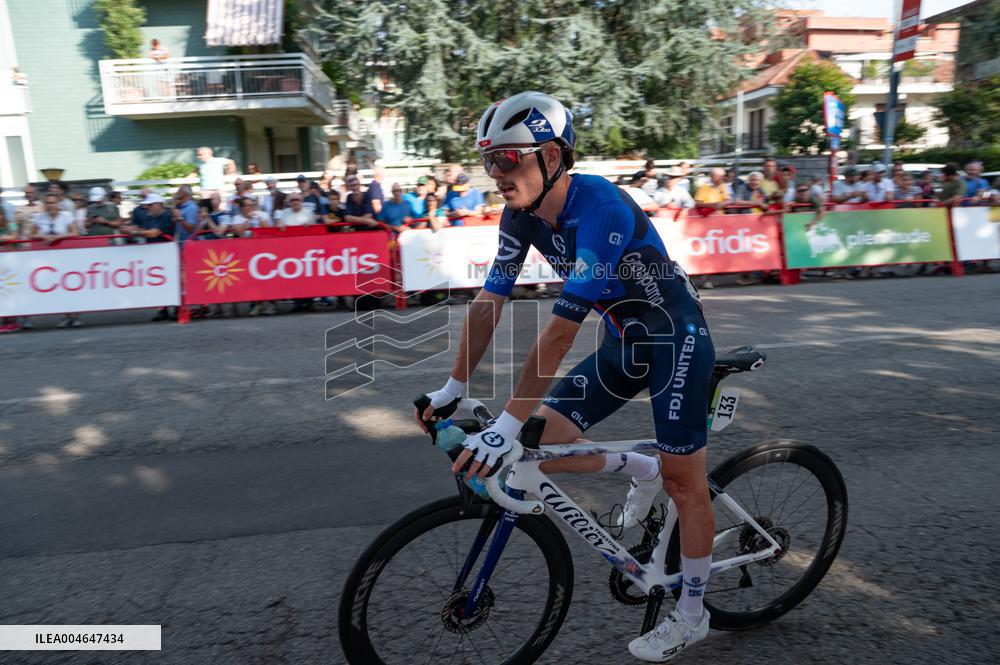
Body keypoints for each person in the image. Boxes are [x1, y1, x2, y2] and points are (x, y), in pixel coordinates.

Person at [417, 92, 715, 663]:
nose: (496, 174)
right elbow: (489, 303)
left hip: (675, 340)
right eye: (488, 161)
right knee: (538, 438)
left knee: (686, 483)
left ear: (551, 155)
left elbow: (558, 333)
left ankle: (692, 615)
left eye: (508, 159)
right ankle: (643, 467)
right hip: (624, 345)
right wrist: (452, 388)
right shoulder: (520, 215)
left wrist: (504, 420)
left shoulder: (598, 205)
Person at [31, 194, 81, 328]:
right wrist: (43, 236)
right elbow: (32, 234)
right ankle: (65, 316)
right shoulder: (39, 217)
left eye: (52, 203)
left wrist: (58, 236)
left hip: (65, 254)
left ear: (57, 204)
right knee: (57, 286)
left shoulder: (66, 215)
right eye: (47, 203)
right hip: (49, 256)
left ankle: (75, 315)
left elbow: (75, 232)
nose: (50, 205)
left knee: (70, 285)